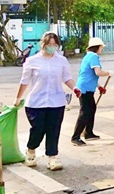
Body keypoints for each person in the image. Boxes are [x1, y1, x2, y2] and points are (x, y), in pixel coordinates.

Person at [14, 32, 81, 171]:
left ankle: (52, 158)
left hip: (56, 101)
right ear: (42, 44)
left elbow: (67, 77)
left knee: (53, 129)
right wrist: (18, 98)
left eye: (54, 45)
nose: (52, 47)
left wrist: (74, 87)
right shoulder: (32, 61)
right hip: (36, 103)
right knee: (38, 129)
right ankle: (31, 150)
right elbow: (25, 81)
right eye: (49, 44)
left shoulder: (61, 60)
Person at [71, 37, 112, 146]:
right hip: (84, 89)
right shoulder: (93, 57)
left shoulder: (88, 56)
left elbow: (90, 74)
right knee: (85, 112)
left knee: (91, 108)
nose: (101, 49)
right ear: (97, 47)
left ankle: (88, 133)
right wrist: (108, 72)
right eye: (101, 47)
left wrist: (99, 86)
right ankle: (76, 136)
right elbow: (98, 72)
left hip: (87, 87)